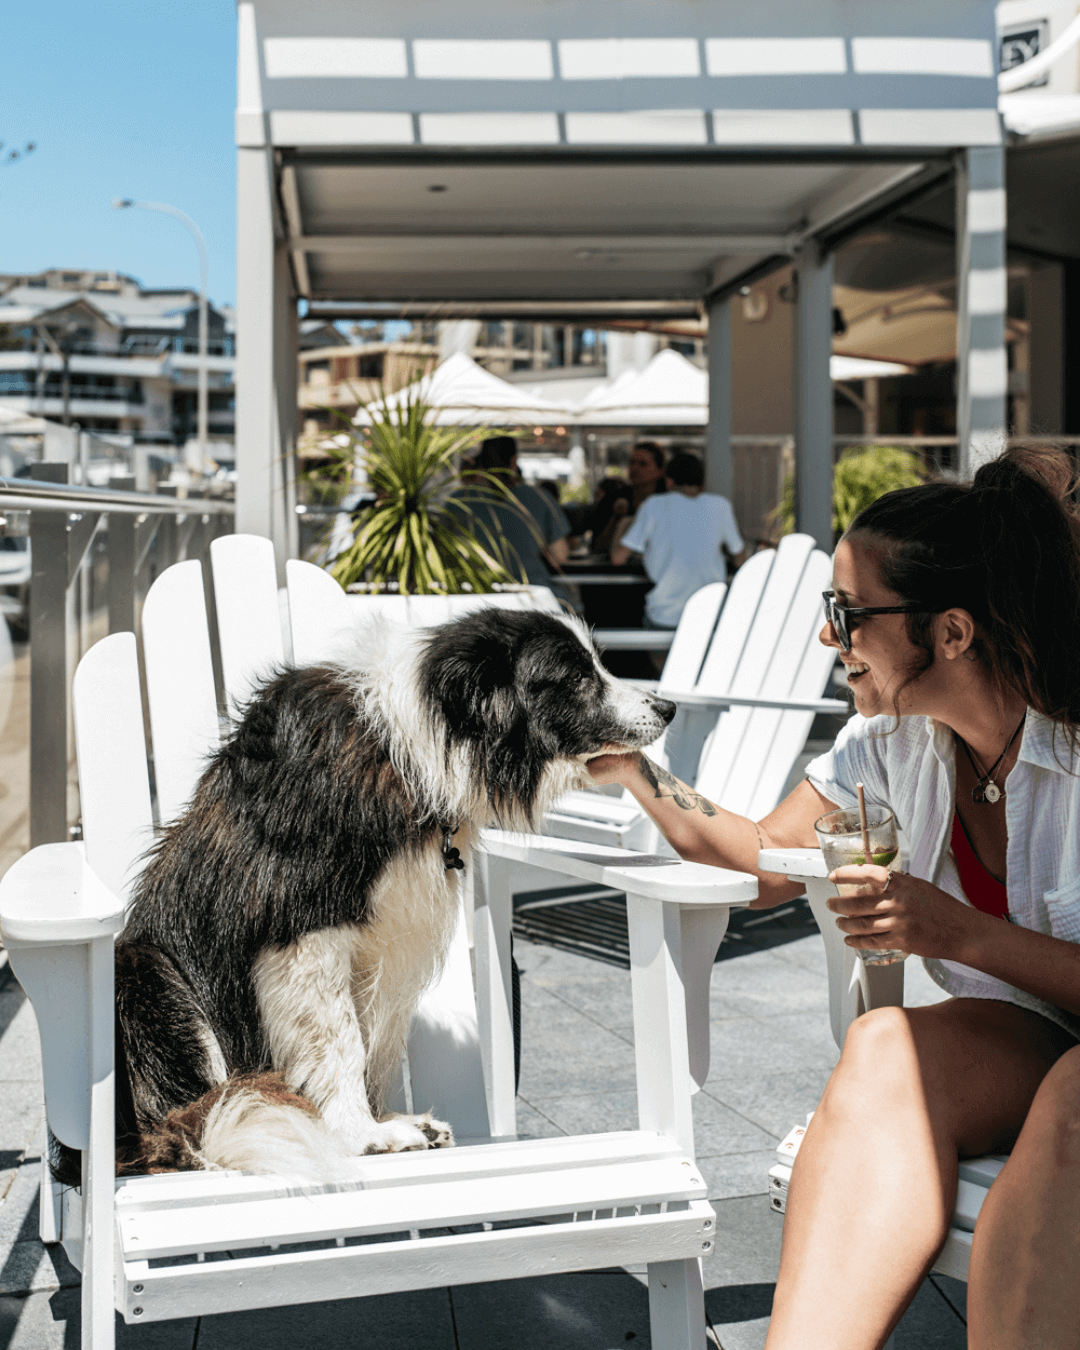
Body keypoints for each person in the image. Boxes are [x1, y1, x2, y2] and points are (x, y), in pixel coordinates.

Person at [588, 445, 1080, 1349]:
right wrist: (633, 771)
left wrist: (957, 932)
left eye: (847, 614)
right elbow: (768, 861)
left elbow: (963, 938)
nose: (829, 638)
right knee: (885, 1045)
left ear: (952, 632)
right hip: (1042, 1027)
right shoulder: (893, 741)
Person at [611, 451, 745, 629]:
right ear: (702, 483)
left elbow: (618, 558)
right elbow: (740, 557)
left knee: (664, 656)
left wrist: (622, 523)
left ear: (669, 481)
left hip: (664, 615)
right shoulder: (720, 506)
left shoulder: (653, 505)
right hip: (710, 613)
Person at [456, 435, 571, 597]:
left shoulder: (458, 501)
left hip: (474, 596)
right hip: (532, 597)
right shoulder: (540, 497)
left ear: (480, 462)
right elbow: (560, 556)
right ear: (513, 461)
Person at [592, 441, 667, 556]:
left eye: (642, 464)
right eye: (632, 463)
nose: (634, 468)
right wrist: (616, 519)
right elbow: (597, 548)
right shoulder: (613, 499)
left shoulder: (668, 502)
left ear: (660, 470)